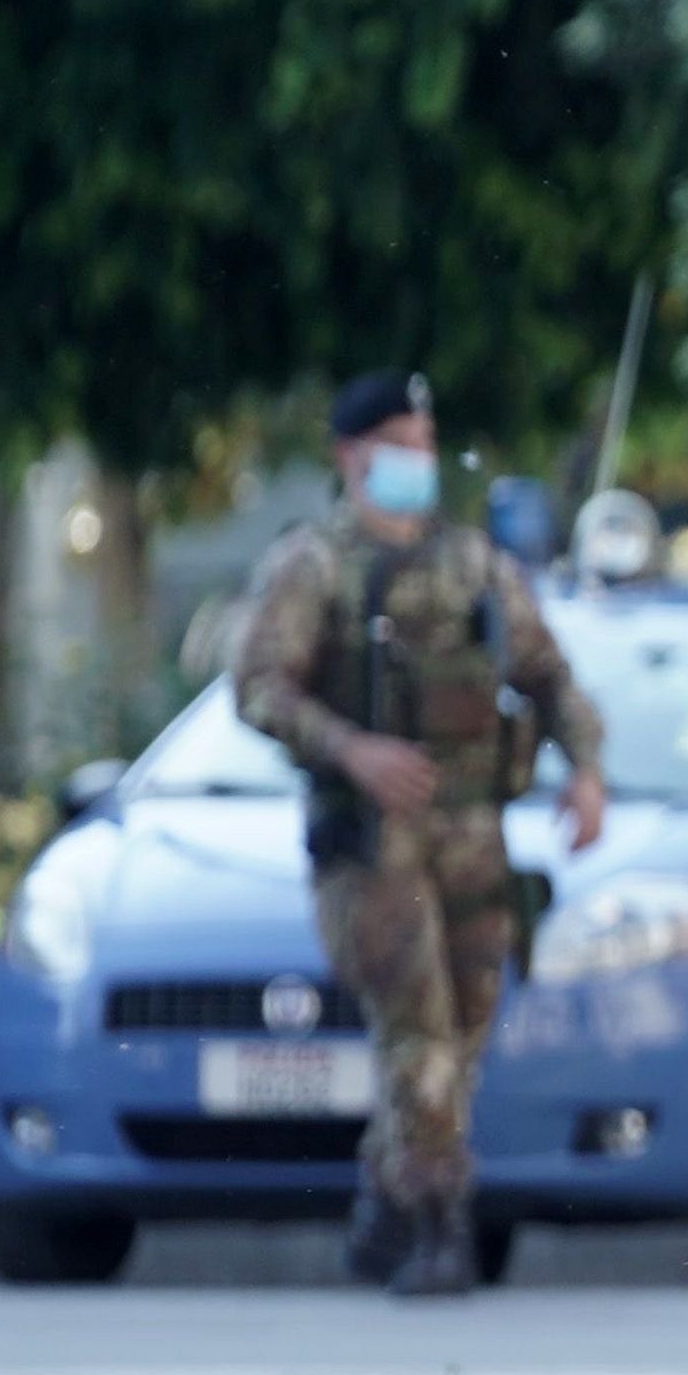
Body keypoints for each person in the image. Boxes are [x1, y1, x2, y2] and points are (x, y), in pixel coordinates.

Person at [233, 371, 607, 1297]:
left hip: (475, 835)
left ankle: (384, 1197)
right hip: (373, 842)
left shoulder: (476, 564)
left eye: (426, 440)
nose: (417, 458)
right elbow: (258, 689)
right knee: (421, 1034)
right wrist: (351, 749)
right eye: (398, 440)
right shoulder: (313, 566)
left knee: (466, 1031)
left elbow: (549, 673)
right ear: (351, 456)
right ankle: (441, 1227)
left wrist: (588, 770)